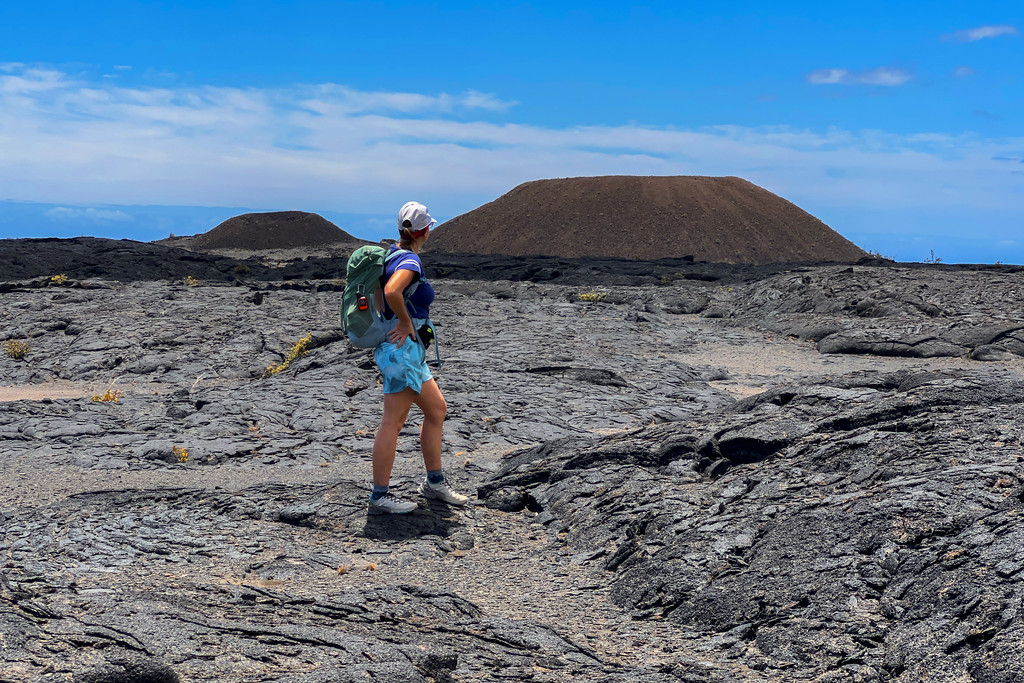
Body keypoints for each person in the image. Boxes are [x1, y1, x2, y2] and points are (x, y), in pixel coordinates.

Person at [368, 201, 469, 514]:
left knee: (437, 409)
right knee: (393, 422)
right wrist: (404, 322)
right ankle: (380, 496)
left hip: (405, 351)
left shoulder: (390, 255)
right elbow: (391, 293)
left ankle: (434, 483)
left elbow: (376, 294)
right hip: (403, 352)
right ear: (424, 230)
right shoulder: (409, 261)